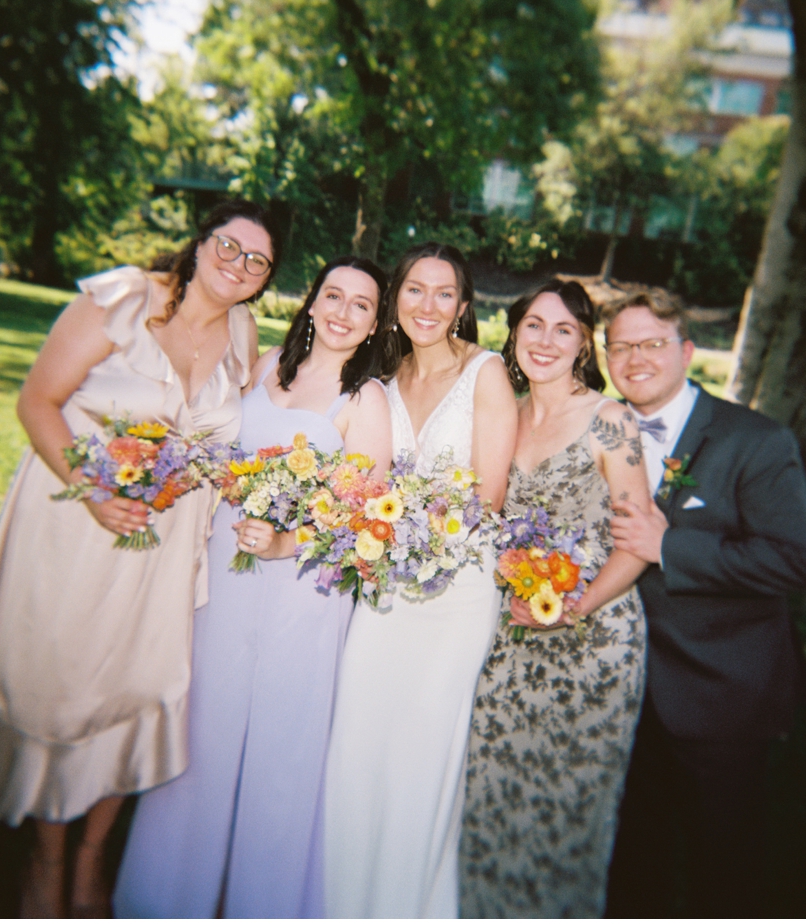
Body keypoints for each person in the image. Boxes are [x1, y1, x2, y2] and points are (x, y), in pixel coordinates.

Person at [0, 198, 278, 918]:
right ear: (201, 244)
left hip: (166, 546)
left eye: (256, 261)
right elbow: (37, 402)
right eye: (229, 247)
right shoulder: (124, 298)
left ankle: (90, 859)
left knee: (139, 689)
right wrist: (93, 491)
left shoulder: (242, 329)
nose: (238, 266)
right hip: (79, 530)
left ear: (264, 280)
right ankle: (44, 857)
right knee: (63, 688)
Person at [112, 256, 392, 919]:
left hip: (302, 593)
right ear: (312, 301)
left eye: (361, 304)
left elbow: (365, 524)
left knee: (280, 756)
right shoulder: (268, 366)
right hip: (227, 581)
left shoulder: (367, 399)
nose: (342, 312)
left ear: (376, 322)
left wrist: (286, 542)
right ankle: (167, 898)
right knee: (201, 737)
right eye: (333, 295)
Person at [601, 287, 806, 918]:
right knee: (633, 864)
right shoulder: (602, 426)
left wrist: (672, 548)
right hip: (625, 693)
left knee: (720, 873)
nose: (635, 358)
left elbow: (796, 560)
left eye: (652, 344)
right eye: (621, 346)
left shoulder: (755, 440)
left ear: (687, 351)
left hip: (721, 697)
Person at [323, 243, 518, 919]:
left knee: (423, 750)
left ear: (463, 307)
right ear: (395, 299)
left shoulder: (487, 374)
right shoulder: (381, 377)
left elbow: (487, 498)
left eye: (444, 294)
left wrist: (403, 523)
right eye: (414, 290)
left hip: (456, 593)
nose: (427, 306)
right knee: (359, 741)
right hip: (384, 590)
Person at [458, 279, 652, 918]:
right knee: (489, 799)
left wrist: (577, 604)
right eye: (533, 325)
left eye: (563, 329)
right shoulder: (503, 413)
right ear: (514, 333)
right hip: (511, 642)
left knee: (566, 814)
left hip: (592, 647)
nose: (545, 340)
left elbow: (638, 543)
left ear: (583, 344)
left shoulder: (612, 420)